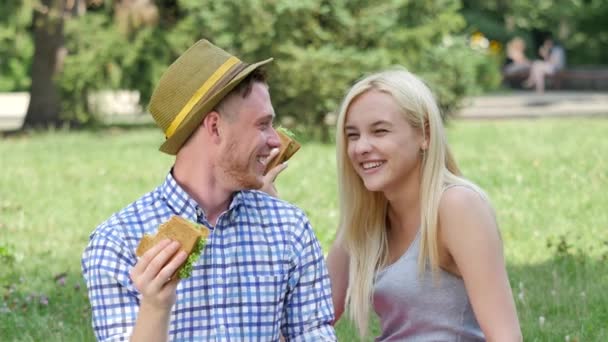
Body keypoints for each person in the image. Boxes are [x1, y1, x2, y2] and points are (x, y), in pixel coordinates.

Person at [81, 39, 336, 342]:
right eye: (263, 125)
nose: (276, 141)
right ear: (214, 127)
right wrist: (155, 305)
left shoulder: (289, 228)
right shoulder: (118, 243)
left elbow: (314, 334)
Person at [326, 68, 522, 341]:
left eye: (379, 131)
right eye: (353, 135)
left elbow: (506, 336)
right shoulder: (365, 218)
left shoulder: (457, 206)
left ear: (425, 135)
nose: (361, 147)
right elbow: (312, 315)